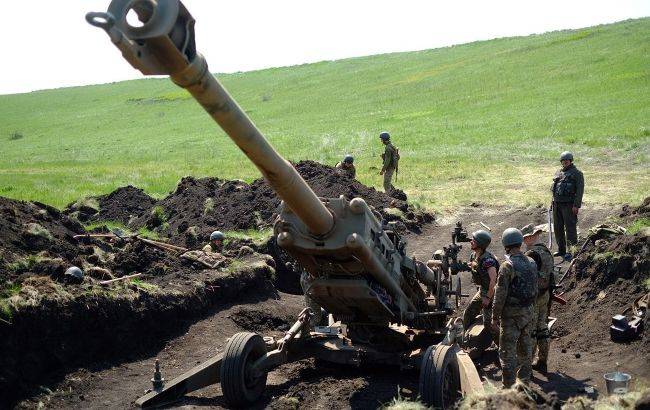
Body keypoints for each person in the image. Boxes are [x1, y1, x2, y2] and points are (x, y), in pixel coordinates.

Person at [491, 228, 538, 388]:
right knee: (526, 351)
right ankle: (524, 384)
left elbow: (500, 294)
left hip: (511, 317)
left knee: (507, 353)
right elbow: (535, 288)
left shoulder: (507, 266)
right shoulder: (531, 262)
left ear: (506, 245)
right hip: (528, 313)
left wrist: (495, 316)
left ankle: (509, 388)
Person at [521, 223, 555, 374]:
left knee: (531, 330)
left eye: (524, 238)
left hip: (534, 296)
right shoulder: (547, 251)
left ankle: (527, 363)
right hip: (545, 293)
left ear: (529, 237)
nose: (523, 242)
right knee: (543, 327)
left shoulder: (531, 254)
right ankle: (542, 360)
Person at [462, 230, 500, 344]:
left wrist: (488, 298)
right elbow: (477, 268)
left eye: (474, 240)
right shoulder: (474, 256)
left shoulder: (488, 260)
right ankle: (465, 341)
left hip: (492, 292)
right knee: (468, 313)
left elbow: (494, 279)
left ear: (481, 244)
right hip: (483, 290)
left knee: (489, 323)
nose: (471, 241)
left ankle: (502, 347)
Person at [551, 151, 584, 261]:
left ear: (571, 161)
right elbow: (555, 189)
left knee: (570, 228)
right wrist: (552, 202)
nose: (565, 162)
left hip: (569, 205)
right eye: (563, 160)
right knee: (558, 228)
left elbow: (580, 191)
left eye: (567, 160)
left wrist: (576, 205)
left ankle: (572, 251)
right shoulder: (558, 173)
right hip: (557, 204)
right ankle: (561, 249)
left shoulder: (577, 174)